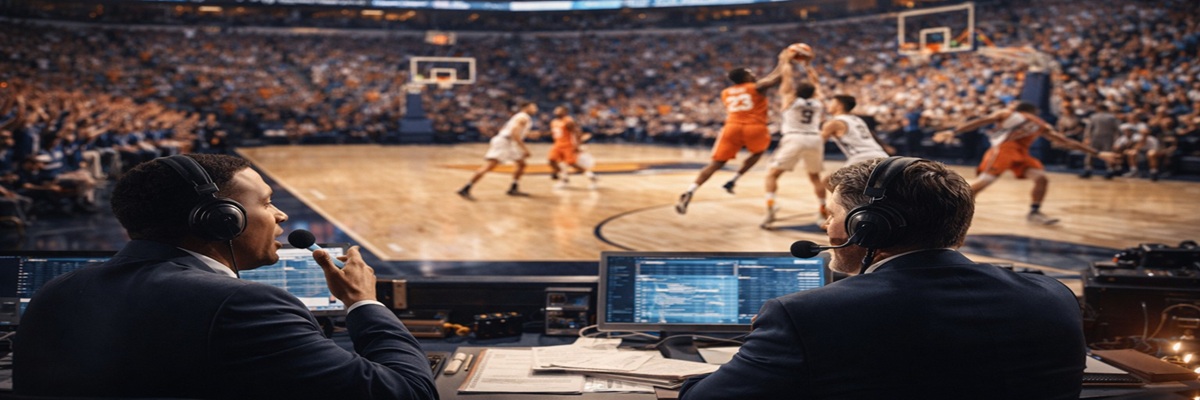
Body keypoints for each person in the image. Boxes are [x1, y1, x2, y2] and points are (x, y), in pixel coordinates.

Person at [14, 154, 438, 399]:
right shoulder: (243, 304)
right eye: (267, 203)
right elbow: (409, 392)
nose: (281, 216)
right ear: (222, 219)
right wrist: (364, 302)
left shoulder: (57, 292)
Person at [678, 157, 1086, 400]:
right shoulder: (1053, 296)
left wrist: (706, 357)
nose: (824, 227)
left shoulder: (805, 316)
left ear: (869, 228)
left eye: (832, 215)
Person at [934, 101, 1116, 225]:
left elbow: (980, 122)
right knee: (984, 183)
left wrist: (954, 131)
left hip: (1020, 153)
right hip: (1004, 149)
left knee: (1040, 178)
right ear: (1032, 111)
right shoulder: (1030, 121)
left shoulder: (1016, 116)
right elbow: (1067, 142)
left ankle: (1034, 212)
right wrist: (1098, 153)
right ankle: (948, 208)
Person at [675, 49, 789, 214]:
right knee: (757, 153)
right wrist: (784, 60)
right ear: (746, 77)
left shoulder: (726, 92)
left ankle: (690, 190)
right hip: (754, 126)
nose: (754, 75)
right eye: (750, 73)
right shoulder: (756, 87)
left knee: (716, 163)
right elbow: (776, 79)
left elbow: (766, 81)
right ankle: (735, 178)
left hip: (732, 127)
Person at [762, 54, 826, 229]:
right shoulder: (817, 102)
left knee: (772, 175)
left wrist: (785, 61)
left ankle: (771, 206)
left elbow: (787, 79)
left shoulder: (790, 99)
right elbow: (816, 83)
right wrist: (808, 65)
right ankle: (822, 209)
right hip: (814, 138)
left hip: (795, 137)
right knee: (815, 177)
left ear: (796, 92)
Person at [458, 102, 537, 199]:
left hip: (509, 142)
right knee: (490, 166)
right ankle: (466, 188)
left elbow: (512, 131)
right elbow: (514, 134)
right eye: (533, 107)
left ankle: (513, 187)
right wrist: (525, 149)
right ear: (526, 108)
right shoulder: (523, 118)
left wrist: (529, 134)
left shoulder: (520, 117)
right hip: (504, 142)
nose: (535, 109)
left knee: (522, 164)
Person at [547, 105, 597, 190]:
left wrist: (578, 145)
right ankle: (564, 178)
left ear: (564, 112)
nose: (556, 111)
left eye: (558, 110)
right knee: (551, 160)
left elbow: (577, 132)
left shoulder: (568, 121)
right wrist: (540, 134)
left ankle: (592, 177)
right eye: (556, 109)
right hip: (557, 145)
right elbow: (555, 133)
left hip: (568, 145)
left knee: (572, 164)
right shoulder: (554, 121)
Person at [1080, 104, 1120, 179]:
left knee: (1091, 153)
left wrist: (1087, 137)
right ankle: (1110, 170)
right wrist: (1116, 140)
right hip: (1107, 137)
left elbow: (1089, 128)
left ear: (1098, 109)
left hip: (1096, 136)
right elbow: (1117, 130)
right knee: (1107, 153)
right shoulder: (1111, 117)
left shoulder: (1094, 116)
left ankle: (1088, 169)